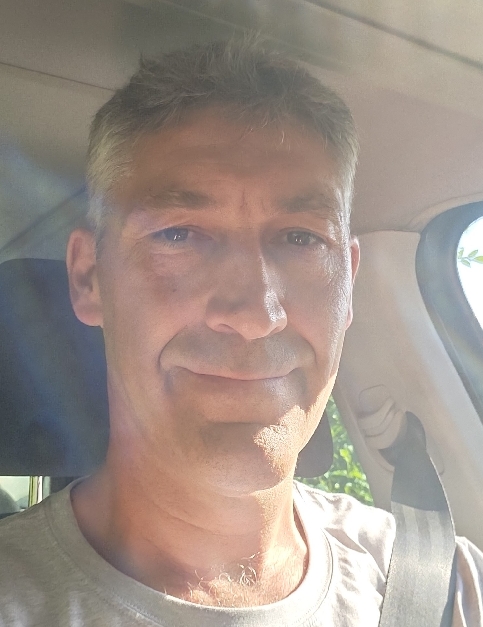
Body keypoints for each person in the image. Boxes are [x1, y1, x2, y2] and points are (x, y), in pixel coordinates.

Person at [0, 38, 482, 627]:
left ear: (348, 286)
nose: (257, 314)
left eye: (301, 238)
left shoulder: (453, 590)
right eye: (178, 234)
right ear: (89, 278)